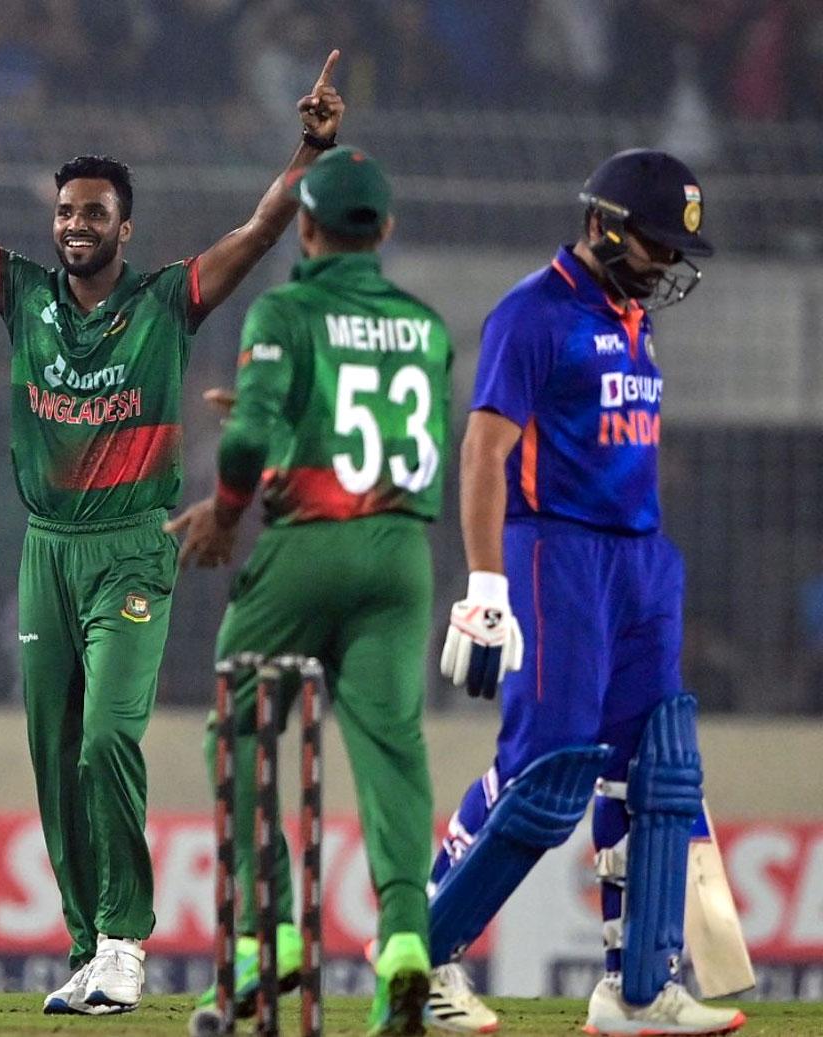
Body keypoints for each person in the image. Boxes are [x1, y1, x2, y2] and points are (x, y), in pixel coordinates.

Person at [0, 26, 345, 1017]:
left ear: (126, 230)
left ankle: (129, 938)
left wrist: (310, 153)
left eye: (94, 214)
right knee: (52, 752)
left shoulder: (169, 301)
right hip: (46, 551)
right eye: (66, 211)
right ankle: (89, 945)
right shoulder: (24, 294)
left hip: (131, 545)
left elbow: (257, 233)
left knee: (105, 741)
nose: (75, 225)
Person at [429, 149, 746, 1036]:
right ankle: (421, 959)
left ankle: (638, 990)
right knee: (547, 767)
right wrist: (485, 581)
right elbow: (484, 452)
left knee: (660, 764)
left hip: (640, 559)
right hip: (553, 551)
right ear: (605, 225)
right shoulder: (531, 314)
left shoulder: (632, 317)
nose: (668, 264)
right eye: (654, 244)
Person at [167, 146, 455, 1035]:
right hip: (403, 555)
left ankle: (268, 940)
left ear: (306, 227)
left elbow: (251, 436)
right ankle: (407, 942)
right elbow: (378, 431)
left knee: (243, 726)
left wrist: (222, 510)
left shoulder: (284, 309)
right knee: (393, 747)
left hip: (306, 554)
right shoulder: (426, 324)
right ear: (387, 232)